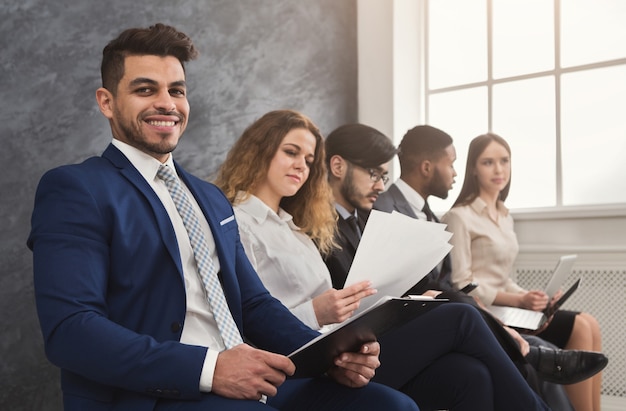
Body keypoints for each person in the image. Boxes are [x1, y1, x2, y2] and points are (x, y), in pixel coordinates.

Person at [26, 24, 422, 411]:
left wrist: (332, 355)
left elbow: (254, 305)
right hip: (154, 393)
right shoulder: (76, 189)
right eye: (145, 89)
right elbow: (70, 330)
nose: (166, 103)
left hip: (251, 381)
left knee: (393, 404)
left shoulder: (209, 197)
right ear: (107, 102)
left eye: (176, 90)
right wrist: (211, 369)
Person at [215, 110, 550, 410]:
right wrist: (318, 311)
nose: (302, 165)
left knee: (470, 374)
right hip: (304, 359)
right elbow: (244, 320)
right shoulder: (236, 223)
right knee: (461, 316)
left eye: (308, 158)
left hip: (342, 345)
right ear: (260, 151)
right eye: (291, 152)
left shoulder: (298, 227)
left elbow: (335, 306)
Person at [329, 124, 606, 410]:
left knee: (478, 366)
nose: (380, 185)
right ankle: (526, 355)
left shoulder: (405, 215)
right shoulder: (381, 210)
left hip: (422, 311)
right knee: (467, 316)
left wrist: (525, 299)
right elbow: (445, 281)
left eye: (383, 175)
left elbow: (440, 281)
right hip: (395, 325)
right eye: (374, 174)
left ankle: (527, 354)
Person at [441, 132, 606, 411]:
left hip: (511, 306)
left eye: (504, 161)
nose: (499, 169)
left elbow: (503, 276)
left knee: (589, 323)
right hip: (489, 312)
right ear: (473, 169)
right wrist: (518, 301)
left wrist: (532, 295)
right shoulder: (459, 216)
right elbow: (462, 282)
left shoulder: (505, 215)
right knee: (579, 326)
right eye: (488, 162)